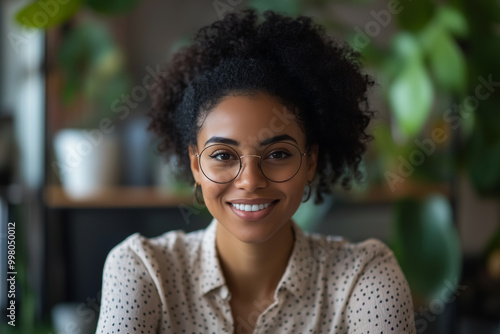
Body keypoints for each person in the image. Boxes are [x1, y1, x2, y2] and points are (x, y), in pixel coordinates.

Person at [96, 8, 416, 334]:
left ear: (310, 162)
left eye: (277, 154)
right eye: (223, 155)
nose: (250, 181)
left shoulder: (364, 279)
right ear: (195, 164)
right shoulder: (144, 270)